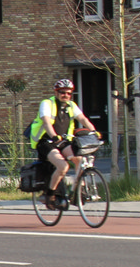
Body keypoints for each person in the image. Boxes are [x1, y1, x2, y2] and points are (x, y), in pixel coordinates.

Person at [31, 78, 98, 211]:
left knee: (80, 159)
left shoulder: (71, 105)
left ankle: (78, 191)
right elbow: (46, 122)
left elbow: (83, 118)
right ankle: (50, 195)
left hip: (63, 141)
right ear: (56, 92)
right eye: (62, 92)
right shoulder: (47, 104)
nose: (66, 95)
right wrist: (54, 136)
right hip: (46, 141)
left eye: (69, 93)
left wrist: (94, 131)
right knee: (63, 166)